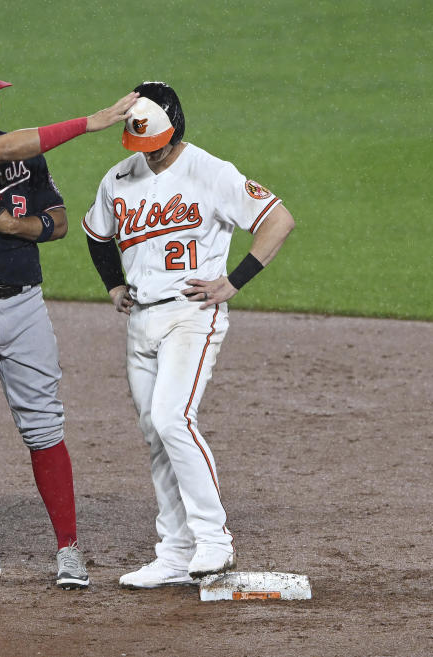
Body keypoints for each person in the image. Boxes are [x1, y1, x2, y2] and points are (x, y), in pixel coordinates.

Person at [0, 53, 137, 589]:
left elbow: (58, 222)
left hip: (24, 308)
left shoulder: (29, 157)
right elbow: (7, 148)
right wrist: (92, 121)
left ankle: (69, 551)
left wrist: (10, 225)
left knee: (44, 427)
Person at [82, 82, 295, 588]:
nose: (149, 155)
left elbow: (278, 221)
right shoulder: (118, 178)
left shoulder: (211, 172)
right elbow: (97, 234)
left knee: (173, 417)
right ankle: (175, 552)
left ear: (175, 130)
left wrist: (234, 281)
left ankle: (215, 540)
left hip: (191, 316)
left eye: (157, 144)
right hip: (141, 322)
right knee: (156, 435)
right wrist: (114, 285)